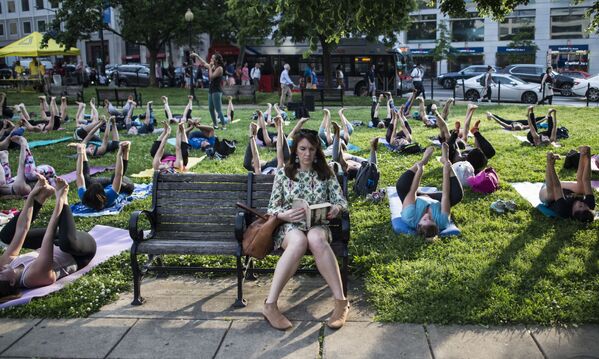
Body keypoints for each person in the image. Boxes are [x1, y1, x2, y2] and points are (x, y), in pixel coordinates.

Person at [264, 129, 349, 331]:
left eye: (311, 149)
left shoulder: (326, 173)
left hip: (318, 225)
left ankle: (341, 302)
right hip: (289, 226)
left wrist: (336, 208)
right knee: (299, 241)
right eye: (302, 148)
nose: (307, 153)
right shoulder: (284, 174)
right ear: (295, 151)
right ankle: (270, 305)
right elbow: (272, 208)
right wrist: (284, 215)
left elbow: (341, 201)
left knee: (315, 239)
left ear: (317, 150)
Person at [0, 176, 97, 303]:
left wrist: (32, 197)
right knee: (67, 243)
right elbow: (49, 234)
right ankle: (65, 200)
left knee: (8, 236)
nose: (0, 269)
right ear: (12, 282)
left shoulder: (5, 265)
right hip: (78, 250)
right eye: (0, 275)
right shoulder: (33, 277)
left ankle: (43, 195)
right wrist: (60, 198)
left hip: (56, 240)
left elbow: (21, 230)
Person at [395, 143, 463, 240]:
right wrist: (446, 170)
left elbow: (412, 191)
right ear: (436, 224)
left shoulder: (409, 216)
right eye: (431, 219)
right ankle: (445, 161)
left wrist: (420, 172)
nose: (427, 216)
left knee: (401, 186)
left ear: (418, 224)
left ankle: (422, 162)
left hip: (415, 197)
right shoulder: (442, 221)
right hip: (433, 200)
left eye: (425, 219)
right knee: (457, 195)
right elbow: (445, 196)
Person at [539, 146, 595, 222]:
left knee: (551, 195)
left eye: (581, 206)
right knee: (582, 188)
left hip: (547, 191)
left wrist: (551, 165)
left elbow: (556, 187)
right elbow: (586, 180)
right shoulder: (589, 205)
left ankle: (548, 162)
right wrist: (587, 156)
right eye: (586, 206)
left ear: (574, 212)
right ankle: (582, 153)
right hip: (563, 188)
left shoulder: (564, 210)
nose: (582, 202)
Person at [74, 141, 134, 211]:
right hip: (125, 186)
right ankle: (126, 149)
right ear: (103, 195)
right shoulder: (110, 197)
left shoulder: (84, 197)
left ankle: (83, 149)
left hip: (109, 185)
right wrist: (120, 155)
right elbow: (118, 174)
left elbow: (79, 174)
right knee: (114, 179)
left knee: (86, 180)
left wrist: (81, 153)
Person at [193, 53, 227, 130]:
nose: (211, 59)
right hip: (211, 90)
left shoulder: (219, 68)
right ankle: (215, 125)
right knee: (211, 109)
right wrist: (197, 56)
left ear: (217, 60)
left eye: (212, 58)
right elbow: (203, 63)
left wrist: (210, 68)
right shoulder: (212, 66)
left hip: (217, 91)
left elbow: (211, 77)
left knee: (218, 109)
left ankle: (224, 126)